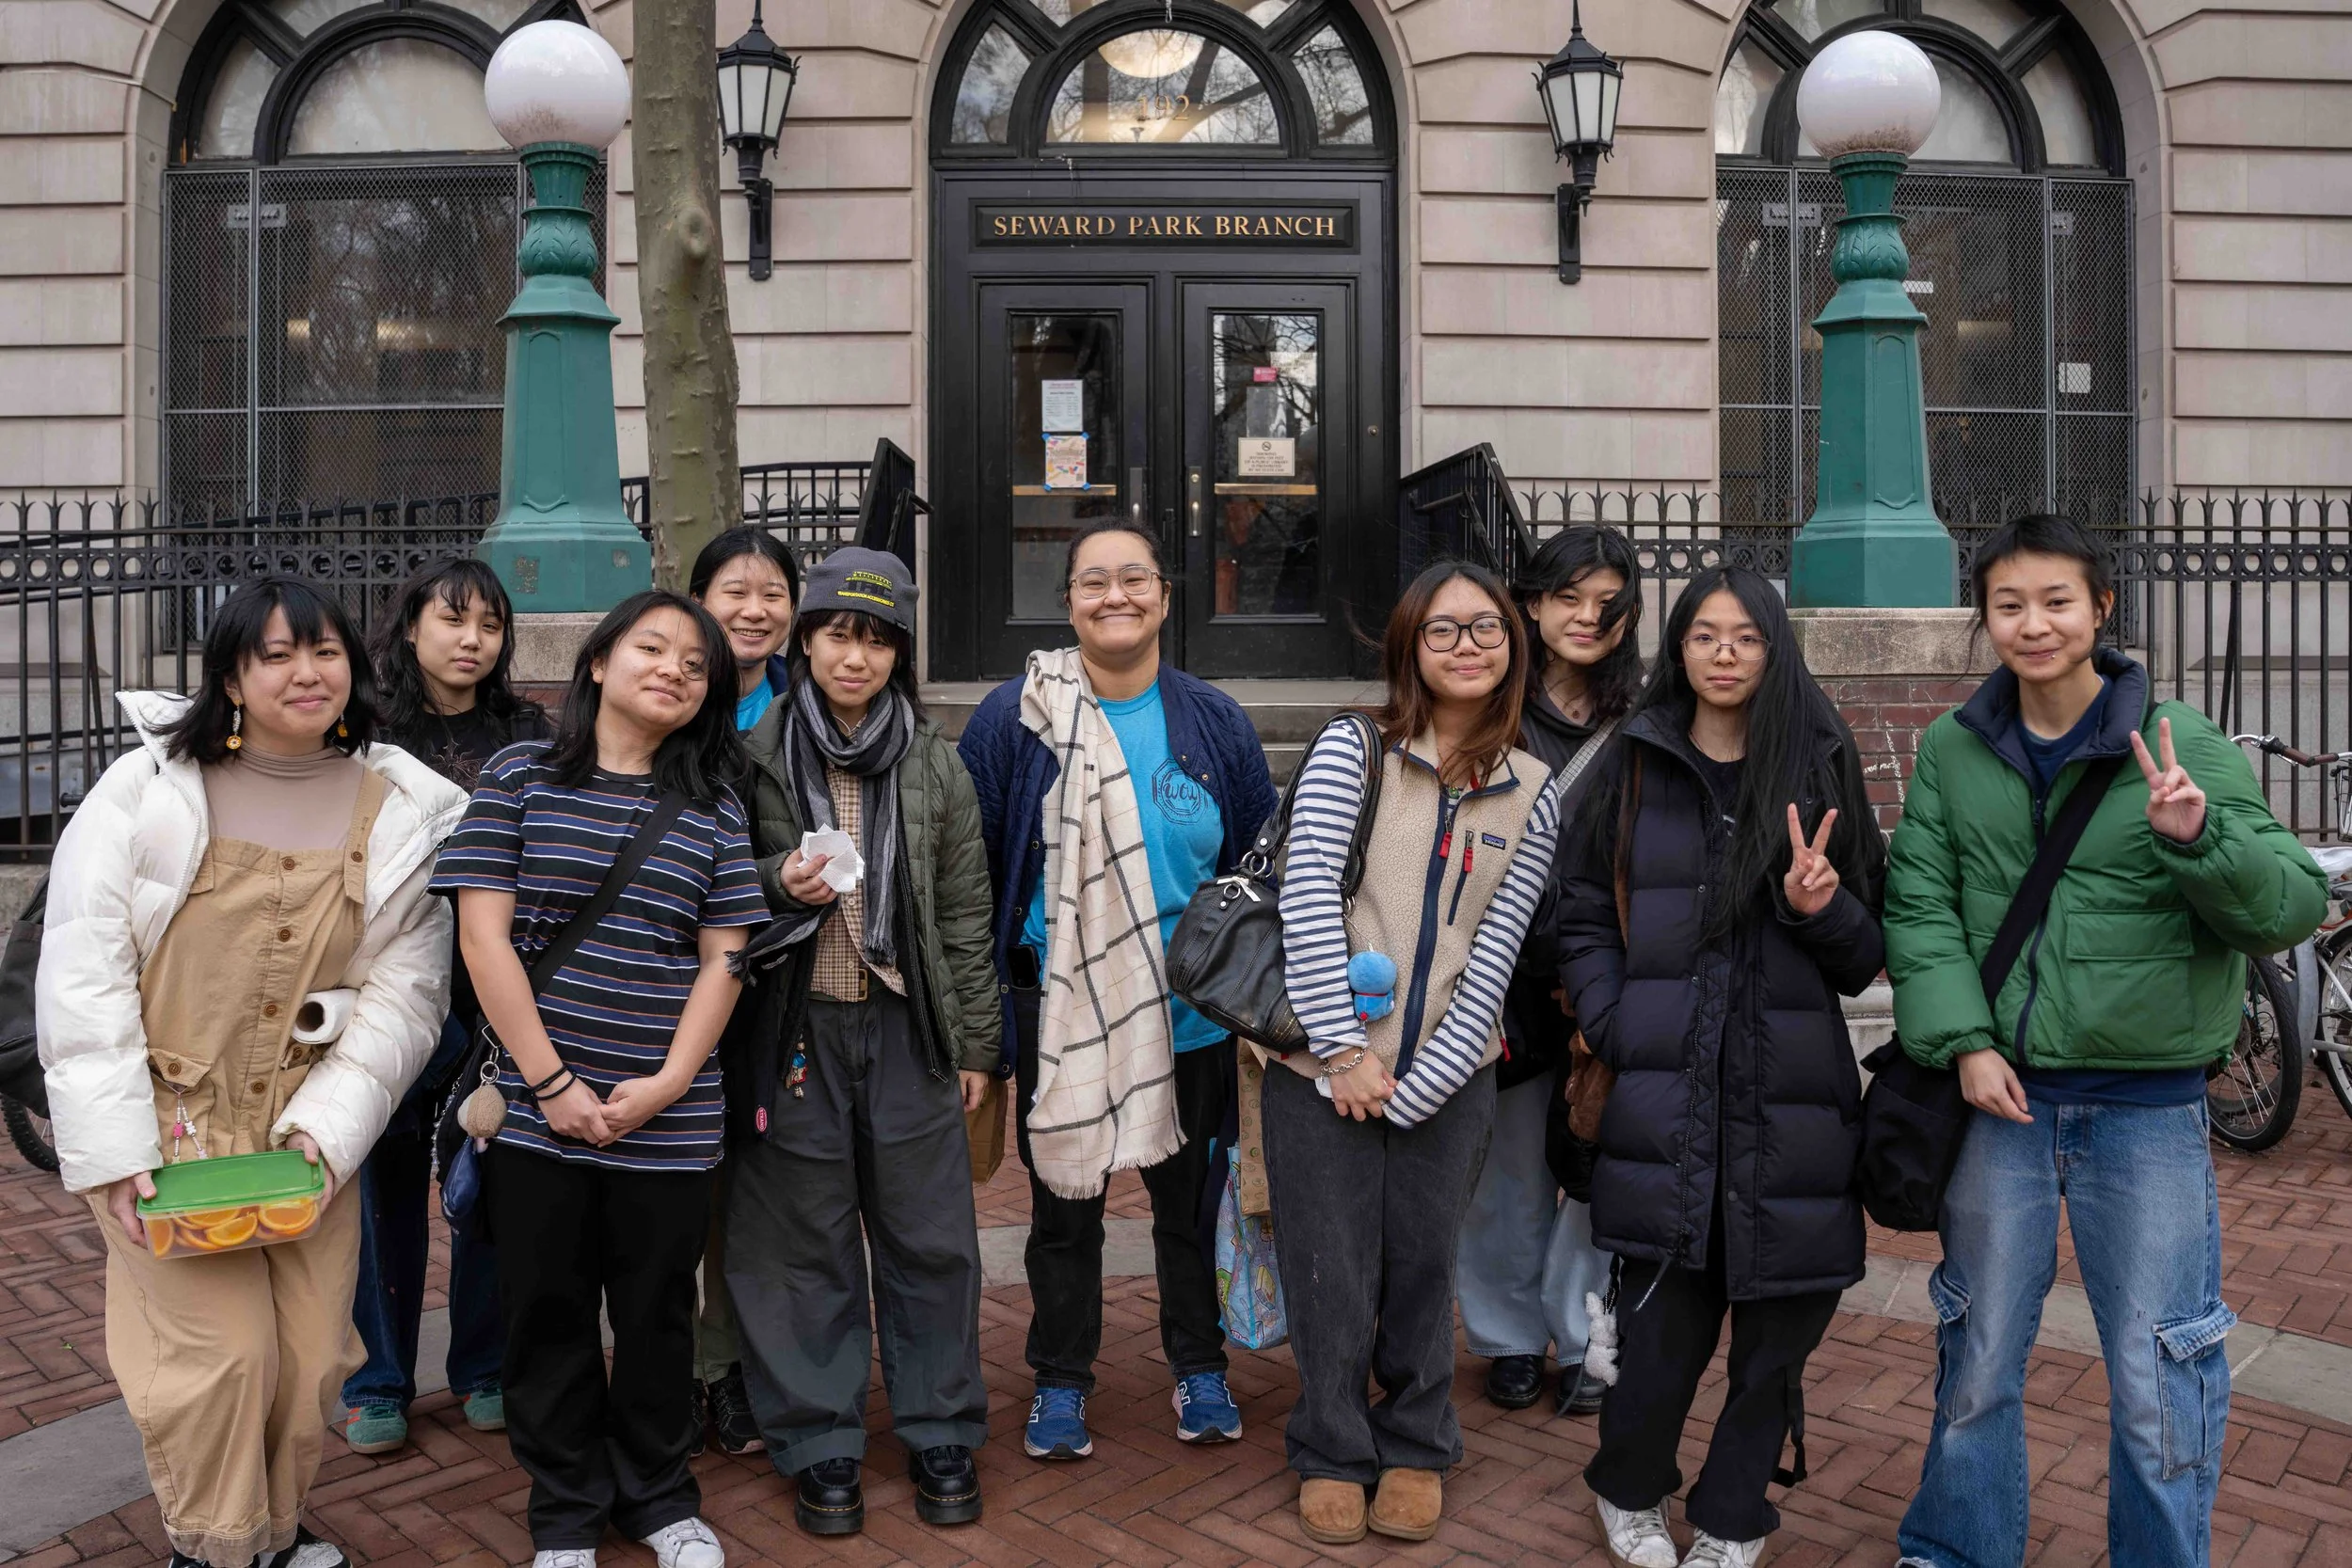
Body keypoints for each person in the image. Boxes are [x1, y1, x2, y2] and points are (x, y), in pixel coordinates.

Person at [1887, 516, 2327, 1568]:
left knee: (2158, 1366)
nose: (2032, 624)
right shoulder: (1954, 747)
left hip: (2149, 1111)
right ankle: (1956, 1544)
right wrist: (1961, 1041)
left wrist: (2200, 837)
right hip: (2001, 1103)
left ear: (2100, 610)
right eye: (2008, 604)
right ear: (1983, 616)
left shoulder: (2179, 740)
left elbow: (2287, 907)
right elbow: (1921, 905)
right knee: (1980, 1347)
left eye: (2055, 601)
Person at [38, 576, 467, 1568]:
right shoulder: (147, 789)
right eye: (274, 654)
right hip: (167, 1125)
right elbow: (84, 972)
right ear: (231, 672)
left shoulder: (399, 806)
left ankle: (266, 1533)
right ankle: (214, 1545)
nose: (305, 672)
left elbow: (408, 991)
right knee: (220, 1360)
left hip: (303, 1131)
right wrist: (111, 1147)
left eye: (324, 651)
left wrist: (330, 1127)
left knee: (313, 1358)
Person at [1561, 564, 1885, 1568]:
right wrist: (1618, 1020)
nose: (1725, 654)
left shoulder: (1820, 761)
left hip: (1789, 1095)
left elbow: (1866, 951)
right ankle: (1628, 1488)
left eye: (1746, 636)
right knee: (1661, 1323)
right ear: (1679, 648)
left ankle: (1736, 1512)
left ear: (1774, 645)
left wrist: (1817, 902)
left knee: (1777, 1330)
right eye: (1705, 635)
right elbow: (1576, 909)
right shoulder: (1633, 760)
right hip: (1663, 1089)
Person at [437, 591, 768, 1568]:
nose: (671, 668)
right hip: (539, 1113)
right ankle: (567, 1508)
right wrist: (550, 1082)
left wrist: (668, 1081)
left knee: (658, 1312)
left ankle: (659, 1495)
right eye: (651, 647)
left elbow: (726, 956)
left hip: (666, 1115)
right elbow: (481, 934)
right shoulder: (519, 775)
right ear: (598, 662)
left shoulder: (713, 800)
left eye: (694, 663)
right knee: (546, 1309)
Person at [957, 519, 1278, 1463]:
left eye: (1133, 578)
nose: (1115, 596)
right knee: (1062, 1213)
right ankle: (1059, 1379)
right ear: (1068, 602)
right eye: (1093, 581)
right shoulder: (1013, 717)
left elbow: (1260, 862)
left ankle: (1198, 1363)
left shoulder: (1211, 720)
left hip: (1190, 1017)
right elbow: (974, 872)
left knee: (1187, 1205)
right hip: (1060, 1013)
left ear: (1164, 597)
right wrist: (981, 1030)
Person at [1271, 561, 1565, 1547]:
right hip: (1321, 1071)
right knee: (1328, 1265)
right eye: (1442, 631)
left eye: (1484, 628)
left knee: (1422, 1264)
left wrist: (1425, 1080)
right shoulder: (1353, 751)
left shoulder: (1534, 788)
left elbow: (1499, 947)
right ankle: (1329, 1446)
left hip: (1450, 1074)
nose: (1466, 645)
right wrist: (1342, 1050)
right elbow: (1307, 895)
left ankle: (1414, 1442)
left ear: (1511, 645)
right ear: (1409, 646)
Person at [720, 547, 1000, 1536]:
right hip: (794, 1032)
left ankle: (939, 1425)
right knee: (803, 1244)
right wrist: (772, 879)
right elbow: (712, 885)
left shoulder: (933, 758)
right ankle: (819, 1438)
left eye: (879, 639)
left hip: (906, 1030)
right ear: (806, 639)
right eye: (840, 631)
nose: (857, 656)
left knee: (931, 1238)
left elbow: (966, 909)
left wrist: (976, 1044)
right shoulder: (751, 755)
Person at [342, 558, 551, 1455]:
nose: (472, 640)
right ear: (412, 627)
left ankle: (486, 1366)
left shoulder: (529, 732)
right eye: (454, 620)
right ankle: (377, 1379)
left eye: (490, 626)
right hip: (390, 989)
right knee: (382, 1190)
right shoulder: (366, 731)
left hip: (493, 990)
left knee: (487, 1182)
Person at [1461, 525, 1644, 1420]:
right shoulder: (1490, 705)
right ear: (1530, 603)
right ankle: (1503, 1336)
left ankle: (1583, 1338)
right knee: (1504, 1168)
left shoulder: (1646, 721)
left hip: (1603, 975)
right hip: (1501, 972)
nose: (1584, 616)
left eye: (1604, 602)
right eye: (1565, 597)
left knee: (1591, 1157)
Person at [685, 524, 801, 1457]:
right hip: (666, 983)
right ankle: (674, 1368)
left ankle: (728, 1368)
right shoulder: (674, 700)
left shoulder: (813, 707)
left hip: (775, 991)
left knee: (744, 1199)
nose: (754, 609)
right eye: (735, 590)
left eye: (771, 592)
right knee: (671, 1195)